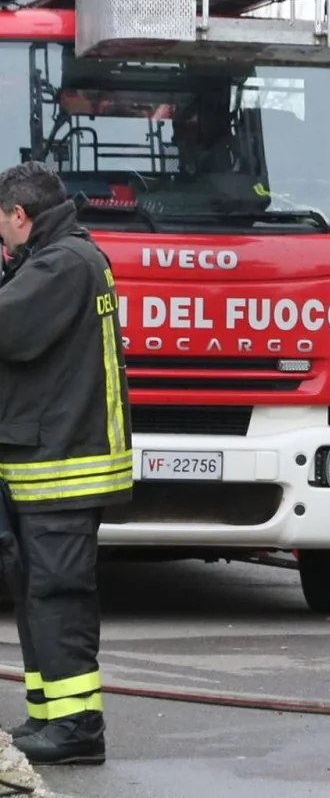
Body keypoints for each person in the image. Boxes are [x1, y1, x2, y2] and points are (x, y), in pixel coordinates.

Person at [0, 161, 132, 765]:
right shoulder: (63, 260)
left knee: (56, 594)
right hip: (51, 459)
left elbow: (7, 330)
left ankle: (78, 728)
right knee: (38, 591)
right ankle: (51, 716)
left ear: (20, 216)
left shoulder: (62, 266)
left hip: (61, 465)